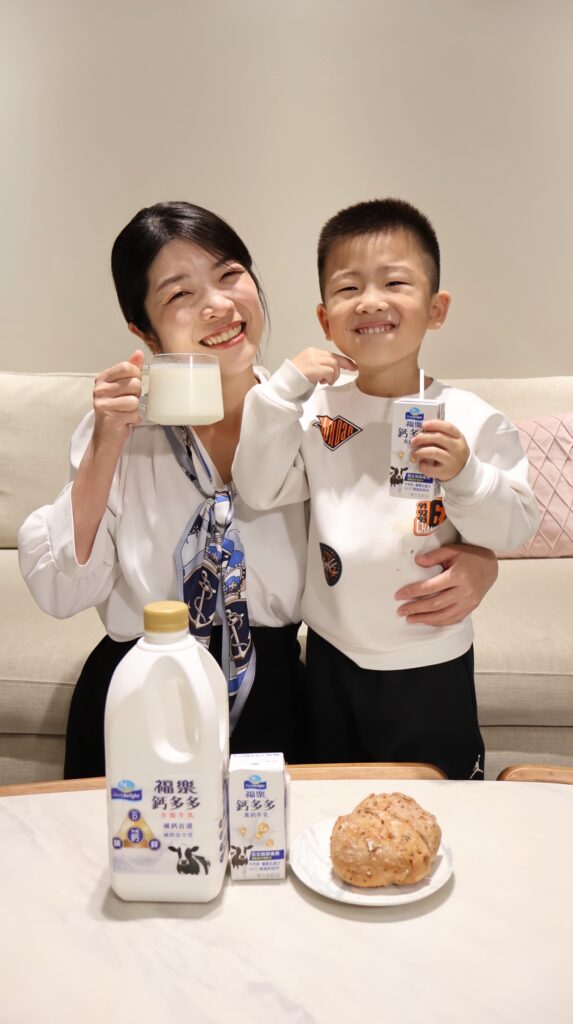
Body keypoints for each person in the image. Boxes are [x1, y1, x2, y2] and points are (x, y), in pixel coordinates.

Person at [18, 200, 498, 779]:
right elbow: (61, 591)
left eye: (229, 275)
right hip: (142, 689)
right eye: (179, 294)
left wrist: (481, 558)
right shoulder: (120, 432)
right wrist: (104, 446)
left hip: (272, 697)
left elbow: (391, 515)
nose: (219, 305)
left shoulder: (316, 420)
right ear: (143, 330)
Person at [233, 197, 539, 779]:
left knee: (439, 799)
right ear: (325, 319)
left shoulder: (470, 417)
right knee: (332, 800)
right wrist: (280, 392)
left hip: (430, 658)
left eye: (395, 282)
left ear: (436, 308)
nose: (370, 301)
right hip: (331, 654)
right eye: (348, 288)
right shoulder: (314, 410)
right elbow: (259, 487)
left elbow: (515, 528)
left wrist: (467, 475)